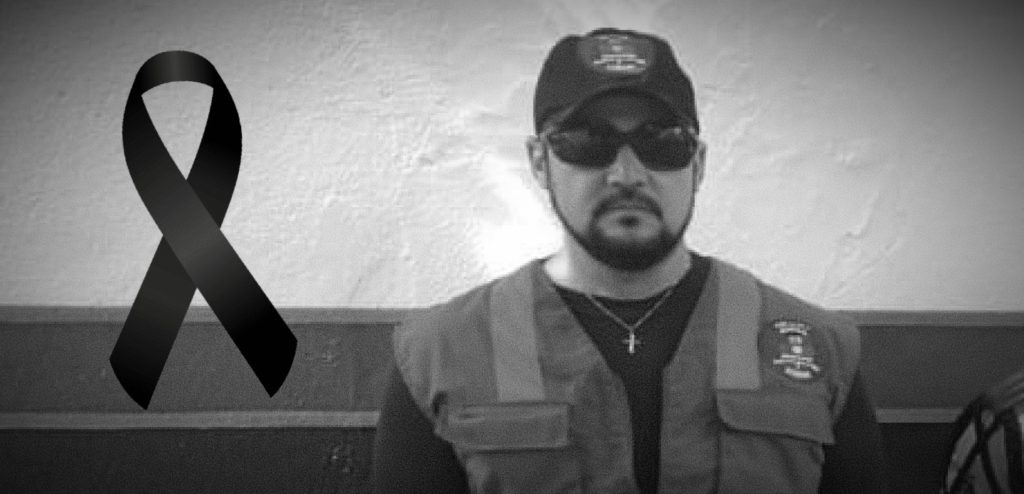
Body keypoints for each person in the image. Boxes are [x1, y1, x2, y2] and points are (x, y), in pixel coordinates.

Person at [373, 27, 887, 493]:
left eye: (662, 141)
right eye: (588, 140)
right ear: (539, 161)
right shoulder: (440, 354)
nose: (626, 173)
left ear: (698, 163)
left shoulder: (820, 350)